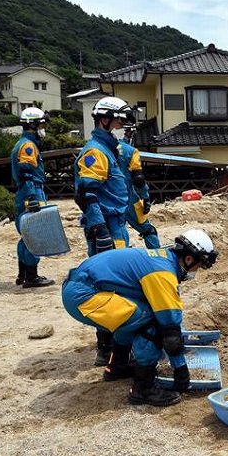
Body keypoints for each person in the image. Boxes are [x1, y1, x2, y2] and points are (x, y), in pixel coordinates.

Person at [61, 229, 218, 407]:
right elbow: (170, 331)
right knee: (152, 322)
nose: (196, 271)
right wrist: (181, 370)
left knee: (134, 314)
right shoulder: (163, 273)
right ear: (189, 259)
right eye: (199, 266)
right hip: (84, 296)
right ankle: (143, 388)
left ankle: (117, 366)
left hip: (80, 287)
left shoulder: (161, 259)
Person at [74, 96, 132, 366]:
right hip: (106, 226)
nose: (121, 125)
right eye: (118, 120)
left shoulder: (109, 149)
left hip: (116, 225)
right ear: (104, 119)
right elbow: (88, 193)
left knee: (118, 286)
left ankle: (114, 343)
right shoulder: (96, 151)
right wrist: (99, 229)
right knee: (106, 285)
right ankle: (106, 347)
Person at [9, 107, 55, 288]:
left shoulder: (24, 143)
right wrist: (32, 198)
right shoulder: (28, 146)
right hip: (32, 192)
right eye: (42, 123)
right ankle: (31, 277)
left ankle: (23, 274)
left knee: (26, 237)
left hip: (25, 193)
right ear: (33, 124)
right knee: (34, 236)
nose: (44, 127)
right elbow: (27, 173)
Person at [118, 119, 160, 249]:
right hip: (127, 196)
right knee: (148, 230)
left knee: (116, 233)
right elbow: (138, 179)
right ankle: (157, 259)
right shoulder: (130, 151)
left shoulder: (100, 149)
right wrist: (145, 197)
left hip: (106, 199)